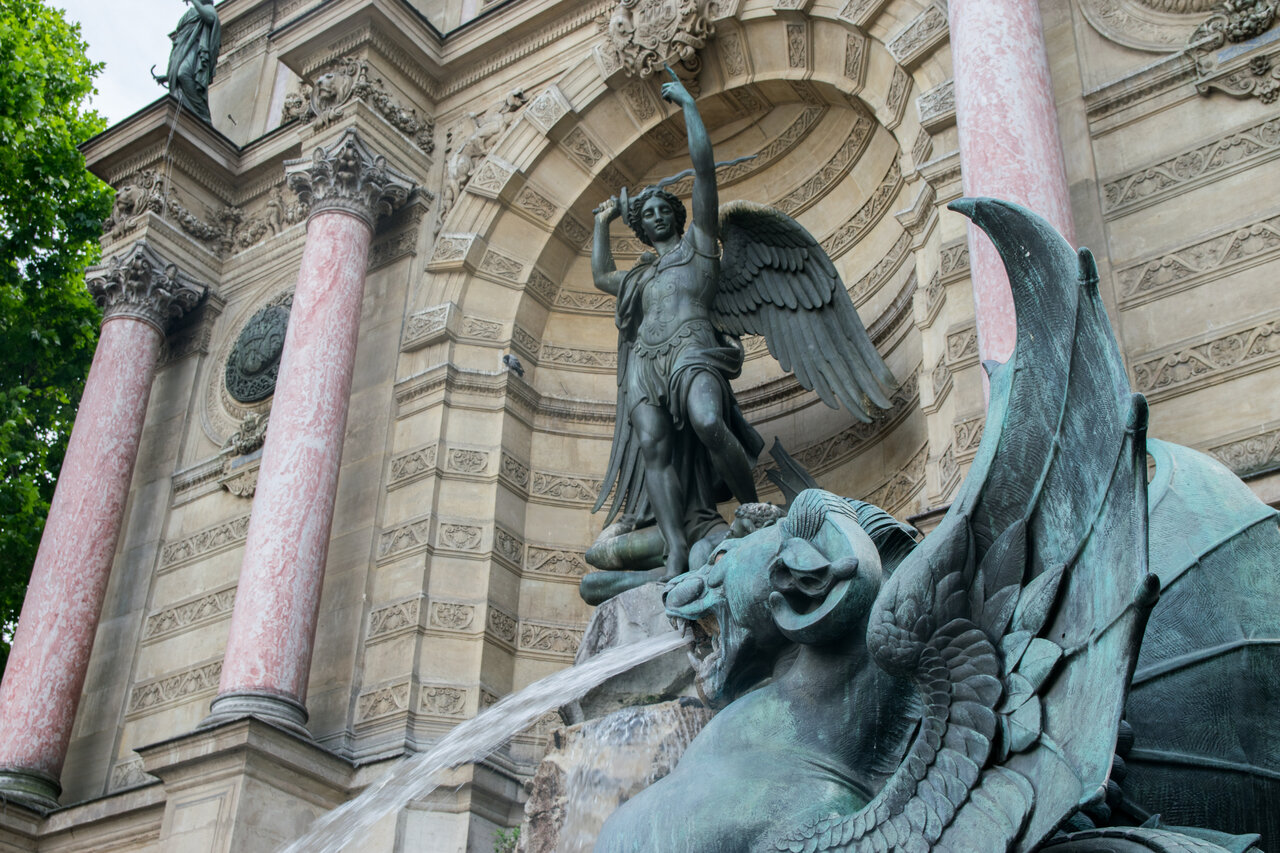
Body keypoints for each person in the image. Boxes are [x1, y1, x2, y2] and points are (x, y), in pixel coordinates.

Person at [591, 71, 764, 580]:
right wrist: (602, 223)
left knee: (711, 423)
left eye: (662, 208)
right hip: (646, 361)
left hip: (693, 348)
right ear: (641, 227)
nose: (656, 216)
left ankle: (753, 513)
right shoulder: (641, 275)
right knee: (653, 452)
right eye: (646, 214)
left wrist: (689, 105)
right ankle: (674, 550)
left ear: (676, 214)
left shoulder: (700, 247)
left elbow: (704, 171)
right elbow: (602, 275)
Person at [154, 0, 222, 123]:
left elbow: (210, 18)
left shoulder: (207, 8)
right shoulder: (188, 14)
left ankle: (202, 113)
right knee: (180, 76)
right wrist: (167, 77)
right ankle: (190, 112)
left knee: (183, 73)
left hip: (195, 47)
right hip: (181, 50)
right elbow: (179, 39)